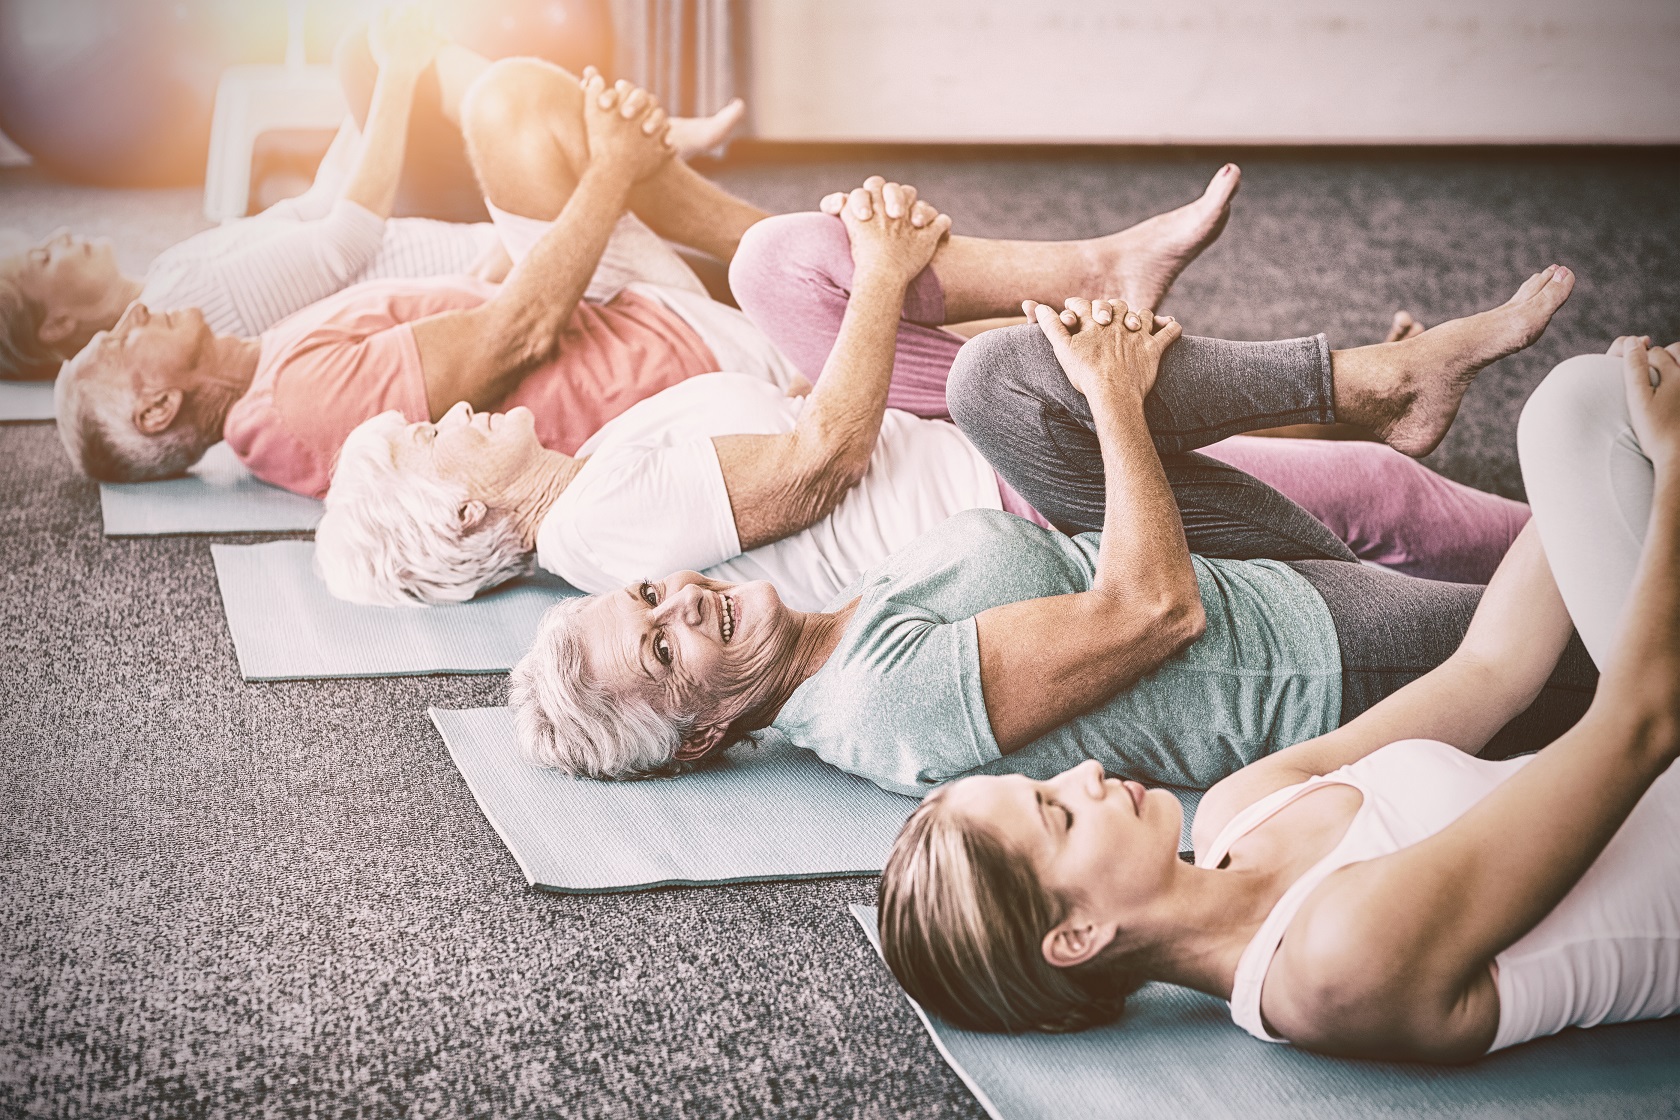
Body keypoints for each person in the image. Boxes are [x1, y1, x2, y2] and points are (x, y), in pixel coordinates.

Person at [875, 336, 1680, 1060]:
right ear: (1078, 933)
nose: (1082, 773)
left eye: (1043, 784)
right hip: (1658, 747)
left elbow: (1491, 670)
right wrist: (1670, 462)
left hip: (1651, 733)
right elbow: (1641, 723)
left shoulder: (1240, 809)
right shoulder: (1332, 963)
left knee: (1579, 407)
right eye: (1058, 814)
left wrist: (1607, 463)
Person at [505, 267, 1589, 790]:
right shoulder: (884, 706)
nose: (679, 597)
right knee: (1599, 632)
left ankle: (1376, 381)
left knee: (1000, 383)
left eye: (649, 594)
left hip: (1231, 568)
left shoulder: (822, 641)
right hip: (1298, 652)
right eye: (662, 645)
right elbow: (1153, 611)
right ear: (698, 733)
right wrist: (1113, 397)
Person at [316, 177, 1528, 608]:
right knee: (1375, 495)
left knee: (774, 261)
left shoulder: (597, 463)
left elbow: (801, 403)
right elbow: (821, 462)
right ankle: (1411, 426)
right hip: (1007, 496)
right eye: (431, 442)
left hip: (931, 431)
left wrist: (855, 290)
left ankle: (1109, 265)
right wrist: (889, 278)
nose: (453, 411)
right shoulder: (594, 527)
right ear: (466, 518)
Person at [51, 61, 781, 497]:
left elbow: (483, 311)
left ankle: (771, 249)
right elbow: (519, 336)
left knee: (511, 110)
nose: (132, 317)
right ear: (156, 411)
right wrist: (612, 168)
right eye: (117, 345)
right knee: (513, 104)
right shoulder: (298, 400)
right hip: (665, 354)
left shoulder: (262, 370)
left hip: (606, 317)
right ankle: (783, 258)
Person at [0, 10, 744, 382]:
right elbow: (346, 236)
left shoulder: (172, 273)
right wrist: (395, 77)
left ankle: (634, 144)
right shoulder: (185, 291)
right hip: (462, 248)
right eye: (40, 259)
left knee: (370, 51)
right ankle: (639, 145)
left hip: (421, 228)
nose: (56, 238)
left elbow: (320, 203)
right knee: (392, 65)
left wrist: (387, 83)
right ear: (60, 323)